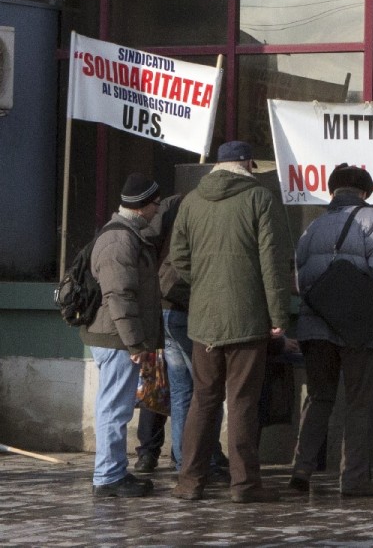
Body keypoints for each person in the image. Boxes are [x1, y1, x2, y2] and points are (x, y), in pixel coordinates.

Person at [169, 141, 292, 503]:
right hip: (247, 318)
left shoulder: (191, 200)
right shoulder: (260, 199)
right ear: (246, 164)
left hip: (204, 318)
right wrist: (278, 315)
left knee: (202, 401)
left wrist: (205, 283)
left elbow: (178, 258)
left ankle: (189, 482)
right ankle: (245, 485)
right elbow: (273, 261)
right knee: (241, 403)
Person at [288, 163, 373, 497]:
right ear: (365, 192)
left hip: (316, 326)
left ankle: (301, 471)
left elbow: (299, 280)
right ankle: (354, 479)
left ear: (332, 192)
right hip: (361, 326)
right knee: (359, 403)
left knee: (318, 398)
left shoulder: (313, 227)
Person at [81, 172, 162, 498]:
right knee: (114, 408)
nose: (158, 209)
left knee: (115, 406)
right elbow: (119, 296)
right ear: (142, 206)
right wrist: (134, 343)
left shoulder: (128, 235)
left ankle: (112, 472)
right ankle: (108, 477)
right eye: (155, 203)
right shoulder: (119, 241)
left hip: (116, 337)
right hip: (116, 338)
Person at [137, 194, 229, 478]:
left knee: (181, 393)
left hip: (165, 310)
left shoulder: (174, 213)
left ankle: (183, 461)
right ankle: (202, 461)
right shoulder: (199, 228)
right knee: (206, 390)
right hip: (184, 313)